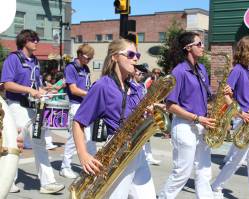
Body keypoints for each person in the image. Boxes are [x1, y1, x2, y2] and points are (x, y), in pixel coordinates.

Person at [72, 38, 156, 198]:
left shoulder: (136, 88)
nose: (136, 58)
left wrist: (149, 113)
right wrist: (83, 154)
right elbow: (78, 122)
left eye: (137, 54)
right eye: (130, 54)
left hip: (138, 151)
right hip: (117, 151)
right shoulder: (102, 86)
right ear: (115, 57)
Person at [158, 31, 228, 199]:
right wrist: (197, 118)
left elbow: (208, 97)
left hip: (202, 125)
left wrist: (222, 93)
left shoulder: (202, 68)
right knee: (182, 172)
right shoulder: (179, 72)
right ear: (188, 48)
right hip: (184, 126)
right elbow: (170, 105)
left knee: (204, 170)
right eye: (199, 44)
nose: (203, 47)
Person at [1, 29, 64, 194]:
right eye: (33, 39)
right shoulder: (13, 59)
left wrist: (45, 89)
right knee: (14, 144)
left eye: (37, 39)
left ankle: (48, 183)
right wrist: (30, 90)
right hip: (17, 106)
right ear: (24, 41)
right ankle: (8, 180)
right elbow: (6, 84)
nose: (37, 41)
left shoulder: (35, 61)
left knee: (40, 143)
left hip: (34, 107)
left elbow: (36, 85)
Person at [211, 35, 249, 199]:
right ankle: (215, 187)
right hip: (243, 120)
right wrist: (241, 114)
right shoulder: (237, 70)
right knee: (236, 161)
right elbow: (225, 95)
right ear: (248, 50)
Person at [59, 44, 97, 179]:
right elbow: (73, 89)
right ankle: (65, 166)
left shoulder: (86, 68)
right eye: (87, 57)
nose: (89, 60)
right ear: (80, 54)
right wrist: (90, 94)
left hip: (85, 104)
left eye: (91, 59)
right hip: (76, 105)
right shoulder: (71, 67)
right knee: (74, 138)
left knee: (90, 137)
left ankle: (93, 164)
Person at [133, 64, 161, 166]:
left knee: (147, 136)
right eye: (156, 72)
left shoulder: (146, 83)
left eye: (159, 73)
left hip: (148, 108)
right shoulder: (148, 81)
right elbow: (146, 94)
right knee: (143, 136)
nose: (158, 74)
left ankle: (148, 156)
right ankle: (145, 157)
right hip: (142, 112)